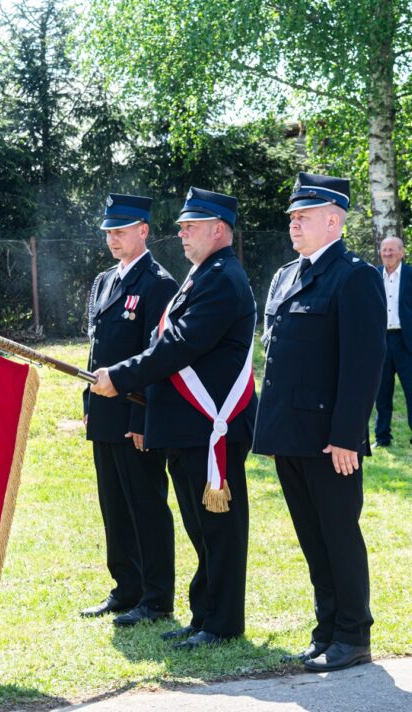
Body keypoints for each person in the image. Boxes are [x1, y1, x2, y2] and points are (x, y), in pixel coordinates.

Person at [90, 188, 257, 651]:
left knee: (218, 531)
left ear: (218, 229)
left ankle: (222, 623)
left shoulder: (223, 278)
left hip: (209, 426)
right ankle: (205, 615)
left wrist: (121, 377)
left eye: (191, 225)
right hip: (188, 427)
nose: (181, 231)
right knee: (201, 529)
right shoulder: (203, 274)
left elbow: (177, 346)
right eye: (182, 224)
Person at [253, 173, 386, 673]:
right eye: (292, 218)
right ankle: (326, 628)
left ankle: (353, 634)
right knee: (312, 537)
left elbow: (362, 366)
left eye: (302, 218)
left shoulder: (355, 277)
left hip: (331, 439)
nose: (293, 225)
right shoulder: (288, 275)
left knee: (338, 534)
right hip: (290, 433)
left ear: (333, 220)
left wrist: (346, 436)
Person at [80, 193, 179, 627]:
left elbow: (157, 358)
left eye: (121, 231)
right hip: (104, 412)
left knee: (146, 505)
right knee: (113, 505)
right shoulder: (105, 281)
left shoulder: (159, 284)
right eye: (108, 232)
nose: (112, 239)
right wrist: (88, 405)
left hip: (137, 414)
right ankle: (126, 589)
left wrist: (144, 419)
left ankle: (157, 598)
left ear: (144, 231)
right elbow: (95, 350)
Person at [373, 236, 412, 452]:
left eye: (392, 250)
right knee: (382, 393)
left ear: (402, 252)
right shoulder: (374, 275)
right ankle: (382, 437)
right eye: (384, 250)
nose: (387, 254)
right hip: (381, 342)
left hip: (408, 342)